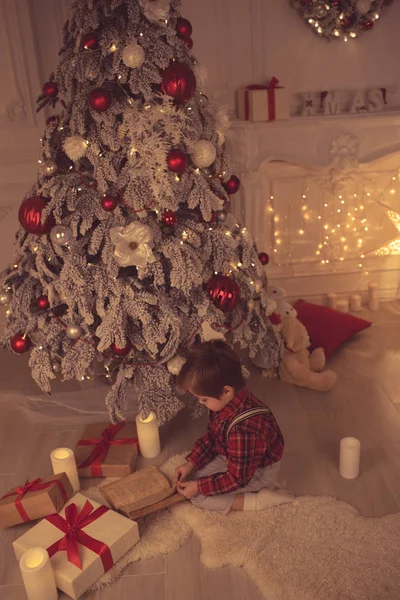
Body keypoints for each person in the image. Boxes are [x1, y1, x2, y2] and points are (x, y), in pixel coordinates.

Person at [174, 340, 293, 514]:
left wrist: (199, 487)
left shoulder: (243, 431)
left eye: (204, 399)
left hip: (257, 471)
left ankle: (259, 500)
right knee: (195, 478)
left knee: (198, 495)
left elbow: (237, 478)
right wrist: (191, 464)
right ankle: (265, 486)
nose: (201, 403)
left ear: (226, 391)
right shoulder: (229, 402)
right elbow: (212, 438)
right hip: (236, 456)